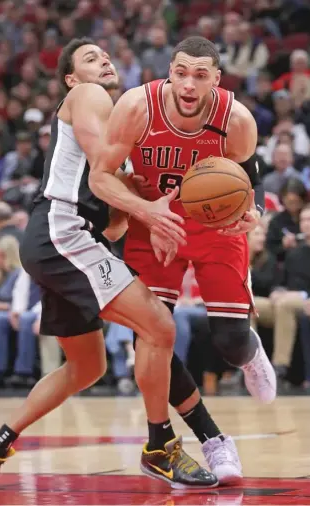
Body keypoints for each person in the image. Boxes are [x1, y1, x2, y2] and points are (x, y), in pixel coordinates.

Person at [0, 38, 217, 491]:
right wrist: (141, 196)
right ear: (70, 78)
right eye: (89, 58)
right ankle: (160, 445)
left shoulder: (108, 114)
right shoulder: (88, 96)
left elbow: (115, 224)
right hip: (63, 233)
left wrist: (129, 196)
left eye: (104, 55)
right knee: (159, 326)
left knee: (87, 367)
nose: (103, 60)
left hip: (59, 239)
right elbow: (103, 169)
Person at [91, 37, 277, 416]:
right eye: (181, 73)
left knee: (230, 342)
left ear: (217, 79)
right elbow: (100, 177)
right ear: (170, 73)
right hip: (153, 221)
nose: (189, 84)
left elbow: (250, 175)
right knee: (152, 341)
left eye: (200, 75)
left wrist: (252, 210)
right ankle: (189, 433)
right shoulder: (136, 106)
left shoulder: (236, 118)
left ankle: (250, 352)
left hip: (215, 227)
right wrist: (145, 212)